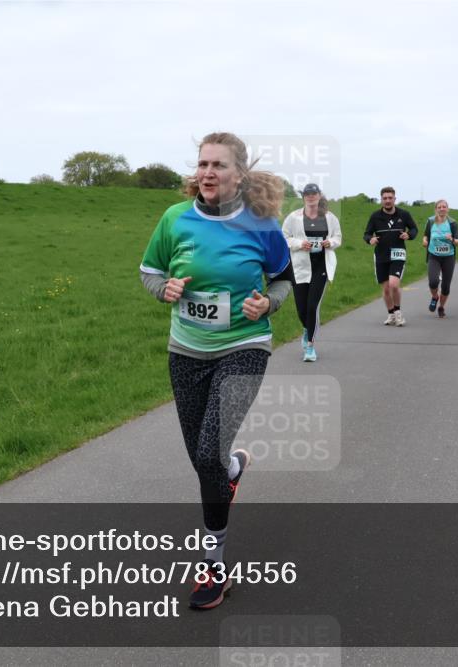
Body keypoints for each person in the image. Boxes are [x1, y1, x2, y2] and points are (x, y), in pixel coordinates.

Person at [139, 131, 293, 609]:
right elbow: (149, 270)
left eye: (218, 166)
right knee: (204, 459)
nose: (207, 173)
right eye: (202, 164)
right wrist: (163, 289)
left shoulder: (262, 224)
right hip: (185, 349)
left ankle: (214, 566)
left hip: (244, 345)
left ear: (239, 174)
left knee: (207, 454)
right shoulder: (175, 219)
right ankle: (231, 468)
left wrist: (267, 303)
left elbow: (284, 280)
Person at [282, 183, 342, 362]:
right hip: (300, 266)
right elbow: (284, 237)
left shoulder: (330, 218)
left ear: (319, 195)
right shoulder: (294, 217)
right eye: (307, 194)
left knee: (312, 307)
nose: (310, 196)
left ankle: (310, 347)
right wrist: (300, 244)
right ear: (303, 197)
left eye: (313, 193)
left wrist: (330, 243)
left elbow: (338, 237)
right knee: (302, 309)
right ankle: (307, 329)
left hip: (321, 266)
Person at [363, 187, 417, 326]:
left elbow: (414, 229)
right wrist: (370, 239)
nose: (387, 201)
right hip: (381, 255)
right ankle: (391, 314)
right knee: (386, 288)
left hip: (398, 254)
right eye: (385, 198)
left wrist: (409, 235)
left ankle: (398, 313)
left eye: (390, 198)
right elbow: (367, 234)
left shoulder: (404, 214)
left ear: (394, 199)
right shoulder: (375, 216)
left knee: (394, 284)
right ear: (381, 200)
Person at [421, 199, 458, 318]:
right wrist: (424, 241)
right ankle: (435, 297)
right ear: (436, 209)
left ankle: (441, 307)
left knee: (445, 286)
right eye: (439, 207)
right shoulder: (430, 221)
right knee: (433, 281)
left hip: (448, 257)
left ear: (447, 209)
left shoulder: (452, 223)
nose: (442, 209)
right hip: (434, 255)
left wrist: (452, 240)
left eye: (444, 207)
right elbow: (426, 235)